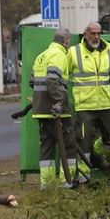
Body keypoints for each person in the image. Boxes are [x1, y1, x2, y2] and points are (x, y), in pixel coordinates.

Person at [67, 22, 110, 169]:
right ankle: (84, 178)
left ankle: (96, 156)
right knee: (83, 141)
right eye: (93, 33)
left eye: (99, 33)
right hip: (84, 106)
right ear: (85, 34)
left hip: (104, 104)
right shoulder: (74, 52)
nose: (96, 37)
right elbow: (63, 76)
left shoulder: (109, 50)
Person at [32, 29, 81, 188]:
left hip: (41, 109)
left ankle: (46, 184)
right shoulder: (59, 55)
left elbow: (32, 82)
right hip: (57, 109)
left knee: (47, 146)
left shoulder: (42, 55)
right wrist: (59, 101)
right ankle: (67, 182)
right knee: (69, 144)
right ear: (66, 40)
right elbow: (52, 80)